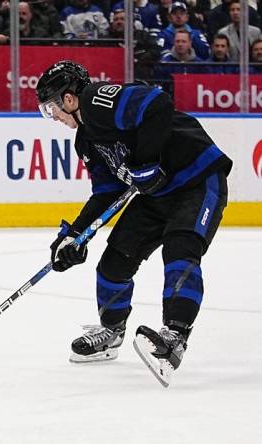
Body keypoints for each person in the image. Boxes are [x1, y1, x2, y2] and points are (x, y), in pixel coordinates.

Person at [36, 60, 232, 386]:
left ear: (70, 99)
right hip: (158, 194)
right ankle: (112, 332)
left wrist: (145, 162)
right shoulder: (86, 140)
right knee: (115, 260)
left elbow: (158, 104)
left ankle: (174, 337)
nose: (53, 116)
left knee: (180, 248)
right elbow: (107, 193)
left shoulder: (98, 100)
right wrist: (74, 235)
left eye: (52, 107)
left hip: (198, 178)